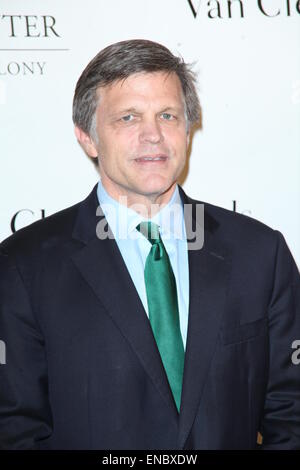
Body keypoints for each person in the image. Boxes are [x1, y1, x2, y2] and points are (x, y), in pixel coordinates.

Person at [0, 39, 299, 450]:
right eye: (128, 117)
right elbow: (14, 427)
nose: (153, 135)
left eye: (167, 115)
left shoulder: (261, 255)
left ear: (188, 127)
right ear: (87, 137)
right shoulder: (22, 267)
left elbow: (292, 412)